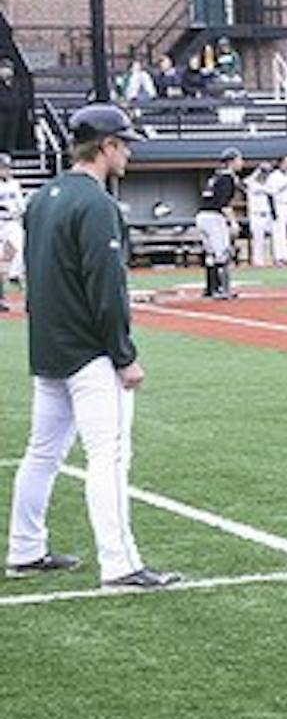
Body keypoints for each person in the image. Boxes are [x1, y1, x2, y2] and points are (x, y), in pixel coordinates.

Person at [6, 104, 182, 589]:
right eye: (122, 144)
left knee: (42, 453)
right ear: (105, 147)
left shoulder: (43, 197)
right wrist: (123, 356)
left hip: (49, 348)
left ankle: (24, 548)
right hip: (88, 352)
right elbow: (104, 288)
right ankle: (120, 563)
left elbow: (39, 277)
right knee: (108, 455)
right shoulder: (96, 204)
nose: (127, 152)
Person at [195, 148, 243, 299]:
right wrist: (233, 222)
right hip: (214, 217)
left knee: (210, 253)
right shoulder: (227, 178)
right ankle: (222, 289)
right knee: (222, 253)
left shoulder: (215, 176)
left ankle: (210, 288)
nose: (241, 163)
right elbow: (224, 204)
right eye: (239, 160)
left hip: (202, 215)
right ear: (231, 161)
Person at [0, 153, 25, 311]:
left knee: (20, 245)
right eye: (2, 168)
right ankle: (1, 299)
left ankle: (14, 275)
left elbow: (21, 206)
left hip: (11, 223)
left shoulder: (14, 184)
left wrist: (17, 212)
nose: (5, 171)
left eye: (7, 168)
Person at [245, 162, 275, 267]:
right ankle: (258, 261)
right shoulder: (251, 183)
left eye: (266, 172)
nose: (265, 174)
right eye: (263, 172)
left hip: (267, 214)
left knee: (271, 238)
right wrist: (257, 172)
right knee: (258, 239)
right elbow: (244, 183)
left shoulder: (269, 183)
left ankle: (270, 259)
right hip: (255, 214)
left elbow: (273, 192)